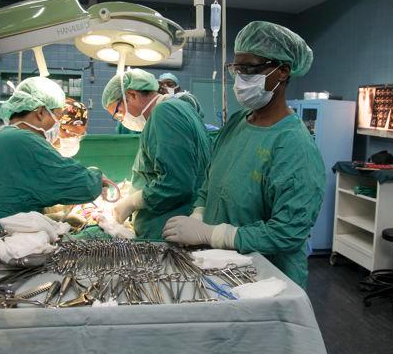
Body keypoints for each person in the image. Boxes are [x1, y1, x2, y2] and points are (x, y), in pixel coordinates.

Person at [162, 21, 325, 288]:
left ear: (282, 71)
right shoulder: (237, 122)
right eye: (237, 69)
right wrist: (198, 215)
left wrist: (214, 235)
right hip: (217, 266)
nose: (240, 78)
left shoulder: (295, 147)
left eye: (250, 68)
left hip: (266, 282)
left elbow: (288, 232)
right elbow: (210, 180)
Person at [0, 77, 104, 242]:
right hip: (1, 246)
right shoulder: (25, 141)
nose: (57, 124)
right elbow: (85, 187)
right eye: (57, 116)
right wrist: (97, 176)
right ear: (40, 112)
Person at [102, 68, 211, 240]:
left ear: (132, 95)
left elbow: (176, 182)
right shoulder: (179, 110)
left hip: (167, 230)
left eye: (119, 113)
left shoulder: (165, 113)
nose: (122, 120)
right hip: (173, 227)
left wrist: (133, 202)